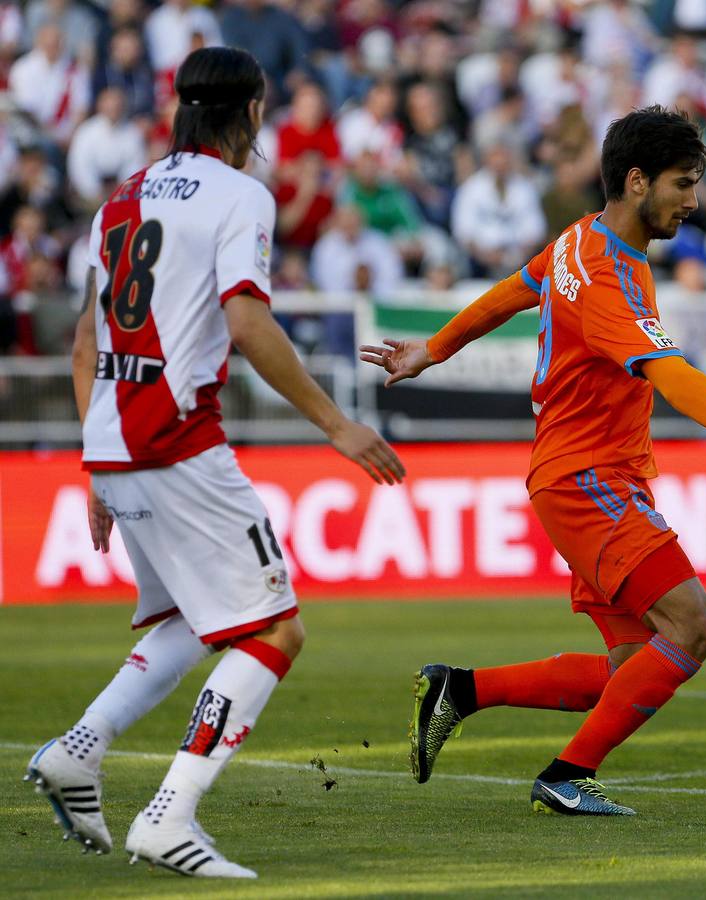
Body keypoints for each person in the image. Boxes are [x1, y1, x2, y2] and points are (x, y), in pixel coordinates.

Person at [360, 106, 706, 816]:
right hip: (590, 478)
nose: (692, 201)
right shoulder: (608, 277)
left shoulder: (580, 241)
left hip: (577, 474)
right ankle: (566, 776)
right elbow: (672, 375)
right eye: (681, 184)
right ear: (637, 182)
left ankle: (460, 690)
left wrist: (435, 348)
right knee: (694, 627)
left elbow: (519, 284)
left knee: (631, 668)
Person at [24, 47, 404, 878]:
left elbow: (88, 340)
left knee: (191, 623)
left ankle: (77, 752)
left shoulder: (119, 199)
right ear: (253, 113)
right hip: (179, 440)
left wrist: (97, 456)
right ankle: (169, 814)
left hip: (118, 441)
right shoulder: (240, 196)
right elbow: (247, 320)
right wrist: (336, 425)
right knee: (274, 627)